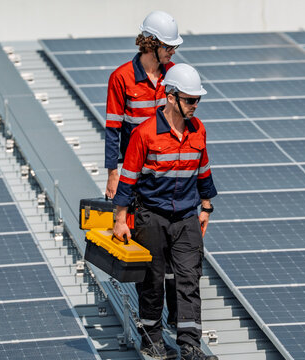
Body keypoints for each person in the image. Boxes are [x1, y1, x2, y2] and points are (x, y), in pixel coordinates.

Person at [112, 63, 218, 360]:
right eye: (190, 100)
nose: (195, 106)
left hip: (186, 218)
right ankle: (151, 337)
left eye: (197, 100)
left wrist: (206, 207)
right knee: (153, 279)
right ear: (171, 97)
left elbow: (204, 172)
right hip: (152, 216)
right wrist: (120, 219)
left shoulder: (199, 131)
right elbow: (128, 179)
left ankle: (190, 345)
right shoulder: (145, 134)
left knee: (189, 278)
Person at [103, 10, 180, 330]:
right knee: (148, 251)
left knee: (177, 254)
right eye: (168, 46)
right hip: (138, 177)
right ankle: (150, 323)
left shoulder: (176, 74)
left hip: (169, 174)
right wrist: (113, 172)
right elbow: (112, 128)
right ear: (151, 44)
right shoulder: (121, 78)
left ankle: (178, 320)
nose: (172, 53)